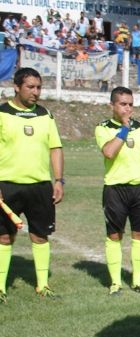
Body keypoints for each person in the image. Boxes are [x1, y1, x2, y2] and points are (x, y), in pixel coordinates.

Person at [0, 68, 64, 303]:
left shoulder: (45, 115)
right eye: (30, 87)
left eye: (38, 87)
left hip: (40, 186)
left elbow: (55, 148)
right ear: (16, 87)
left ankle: (42, 286)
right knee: (4, 237)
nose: (35, 92)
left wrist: (58, 180)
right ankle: (0, 288)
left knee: (40, 235)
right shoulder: (2, 113)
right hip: (7, 185)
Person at [95, 87, 140, 296]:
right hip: (115, 189)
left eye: (130, 104)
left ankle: (139, 281)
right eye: (122, 104)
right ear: (112, 105)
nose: (127, 108)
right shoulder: (103, 129)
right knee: (114, 235)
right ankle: (115, 283)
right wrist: (124, 129)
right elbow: (109, 152)